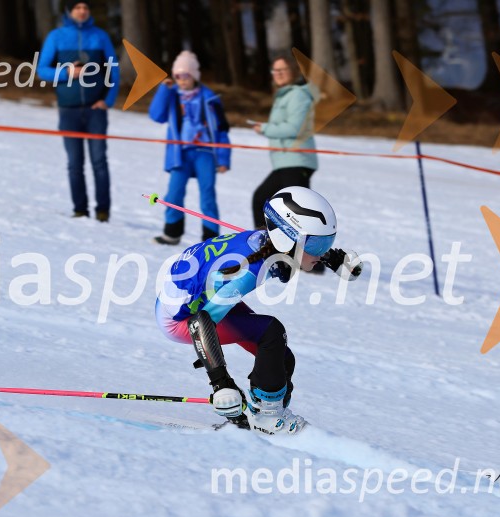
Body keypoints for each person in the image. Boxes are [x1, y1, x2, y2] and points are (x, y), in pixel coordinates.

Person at [154, 187, 362, 434]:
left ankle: (261, 416)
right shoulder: (249, 271)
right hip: (182, 318)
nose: (321, 250)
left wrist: (331, 259)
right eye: (317, 244)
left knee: (282, 360)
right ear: (288, 238)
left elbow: (298, 247)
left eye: (327, 242)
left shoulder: (269, 243)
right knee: (270, 333)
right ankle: (266, 419)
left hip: (198, 300)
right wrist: (221, 384)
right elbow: (201, 322)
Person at [37, 1, 119, 222]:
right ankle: (80, 210)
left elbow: (114, 71)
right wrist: (67, 73)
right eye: (77, 8)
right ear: (68, 11)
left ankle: (103, 211)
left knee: (99, 162)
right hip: (69, 111)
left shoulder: (100, 36)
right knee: (75, 163)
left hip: (95, 111)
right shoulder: (56, 36)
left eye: (85, 7)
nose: (82, 11)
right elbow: (42, 70)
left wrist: (108, 100)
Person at [148, 51, 231, 245]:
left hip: (205, 153)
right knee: (174, 192)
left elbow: (221, 130)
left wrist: (223, 158)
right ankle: (172, 231)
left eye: (185, 76)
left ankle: (211, 238)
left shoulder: (209, 98)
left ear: (194, 75)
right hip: (180, 153)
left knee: (207, 195)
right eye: (177, 76)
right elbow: (156, 115)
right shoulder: (172, 95)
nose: (181, 80)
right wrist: (163, 90)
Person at [250, 55, 319, 227]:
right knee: (262, 200)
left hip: (296, 161)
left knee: (294, 213)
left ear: (293, 72)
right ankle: (267, 246)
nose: (278, 73)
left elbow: (293, 128)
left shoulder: (298, 95)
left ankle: (301, 250)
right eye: (275, 70)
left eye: (282, 70)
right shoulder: (284, 95)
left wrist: (265, 128)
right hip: (285, 162)